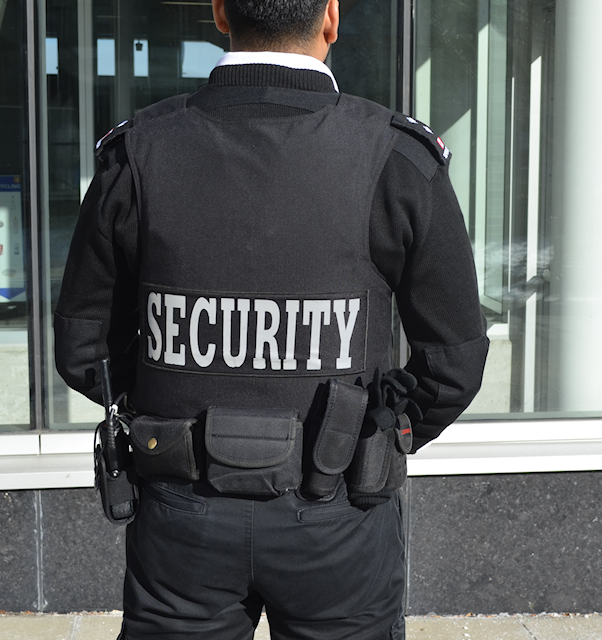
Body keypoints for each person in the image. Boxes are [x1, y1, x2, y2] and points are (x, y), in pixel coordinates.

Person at [54, 0, 489, 638]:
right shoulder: (395, 157)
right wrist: (374, 433)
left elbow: (83, 347)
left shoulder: (138, 152)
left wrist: (162, 402)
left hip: (181, 515)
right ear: (332, 17)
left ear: (221, 12)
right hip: (336, 512)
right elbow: (453, 364)